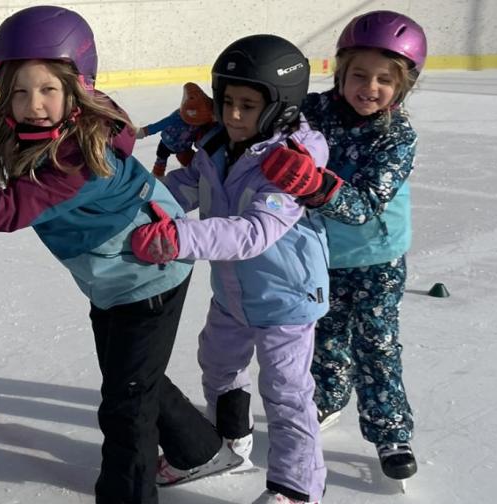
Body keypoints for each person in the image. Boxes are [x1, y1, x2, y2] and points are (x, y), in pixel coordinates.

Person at [0, 6, 241, 503]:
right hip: (113, 279)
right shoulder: (33, 126)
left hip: (149, 279)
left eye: (47, 90)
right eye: (19, 91)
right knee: (131, 378)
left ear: (75, 89)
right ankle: (201, 451)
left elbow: (7, 210)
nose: (33, 104)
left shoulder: (79, 154)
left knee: (126, 404)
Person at [131, 34, 330, 504]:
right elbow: (189, 185)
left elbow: (254, 232)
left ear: (279, 108)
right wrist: (134, 203)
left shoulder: (292, 163)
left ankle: (296, 489)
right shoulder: (219, 145)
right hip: (233, 291)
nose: (234, 115)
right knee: (218, 364)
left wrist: (178, 238)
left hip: (286, 297)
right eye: (226, 102)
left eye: (247, 105)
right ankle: (230, 442)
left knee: (286, 392)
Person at [257, 10, 427, 485]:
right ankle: (327, 396)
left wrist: (314, 184)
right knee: (325, 334)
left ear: (404, 85)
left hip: (377, 257)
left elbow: (365, 205)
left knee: (377, 343)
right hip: (319, 252)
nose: (368, 88)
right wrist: (214, 117)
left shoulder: (397, 136)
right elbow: (267, 121)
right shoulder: (316, 110)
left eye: (384, 80)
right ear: (340, 70)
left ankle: (390, 428)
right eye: (358, 75)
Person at [135, 82, 216, 177]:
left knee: (187, 162)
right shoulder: (176, 118)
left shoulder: (202, 124)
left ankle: (188, 174)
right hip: (166, 144)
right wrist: (144, 131)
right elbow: (160, 125)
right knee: (160, 161)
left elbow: (204, 135)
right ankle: (158, 175)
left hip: (184, 149)